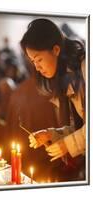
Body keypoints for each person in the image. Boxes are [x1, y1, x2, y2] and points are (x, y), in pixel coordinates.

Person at [20, 19, 85, 168]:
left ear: (56, 50)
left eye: (39, 59)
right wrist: (51, 135)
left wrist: (67, 145)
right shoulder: (64, 80)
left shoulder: (85, 69)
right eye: (33, 62)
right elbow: (80, 127)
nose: (37, 68)